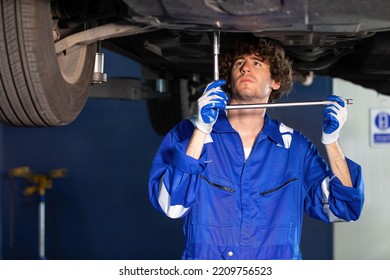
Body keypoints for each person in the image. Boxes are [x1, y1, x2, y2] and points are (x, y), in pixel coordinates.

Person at [148, 37, 364, 260]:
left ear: (275, 82)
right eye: (239, 62)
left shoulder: (294, 147)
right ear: (228, 81)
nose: (245, 67)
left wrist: (332, 141)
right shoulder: (190, 132)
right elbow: (171, 205)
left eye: (257, 63)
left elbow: (343, 209)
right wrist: (202, 130)